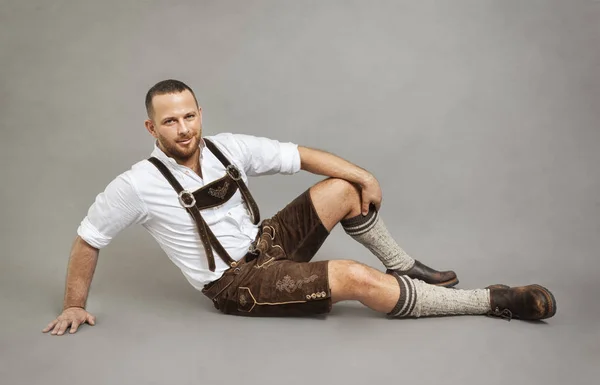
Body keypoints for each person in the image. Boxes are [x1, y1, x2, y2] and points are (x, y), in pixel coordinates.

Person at [43, 79, 556, 336]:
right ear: (152, 129)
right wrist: (73, 302)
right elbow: (89, 237)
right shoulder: (136, 184)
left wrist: (363, 175)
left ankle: (401, 265)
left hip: (267, 242)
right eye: (171, 122)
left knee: (341, 187)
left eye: (190, 116)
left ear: (200, 113)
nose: (185, 129)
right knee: (355, 277)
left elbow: (300, 155)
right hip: (237, 283)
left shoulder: (227, 147)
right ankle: (491, 300)